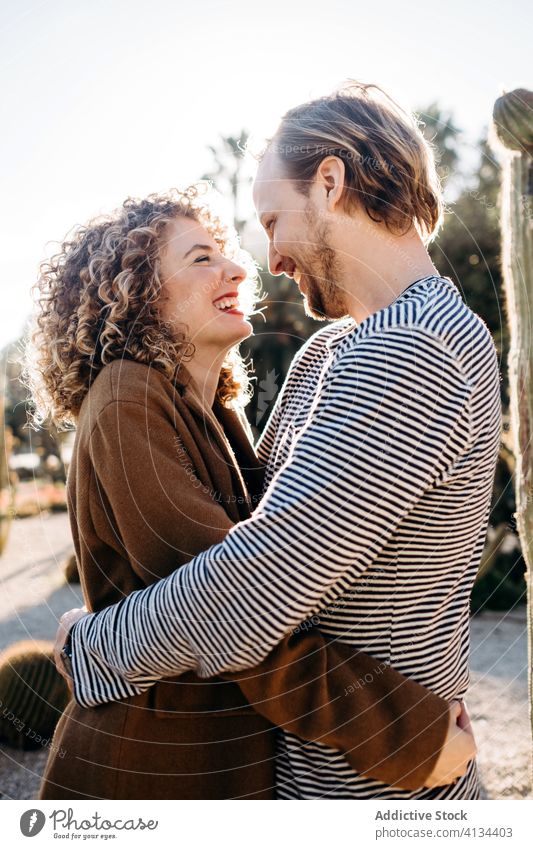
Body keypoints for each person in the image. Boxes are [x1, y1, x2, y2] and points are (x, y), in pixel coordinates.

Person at [54, 82, 500, 800]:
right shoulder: (332, 352)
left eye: (271, 220)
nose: (271, 258)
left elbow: (258, 581)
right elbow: (251, 532)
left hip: (370, 792)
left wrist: (94, 645)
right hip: (310, 773)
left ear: (329, 182)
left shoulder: (416, 349)